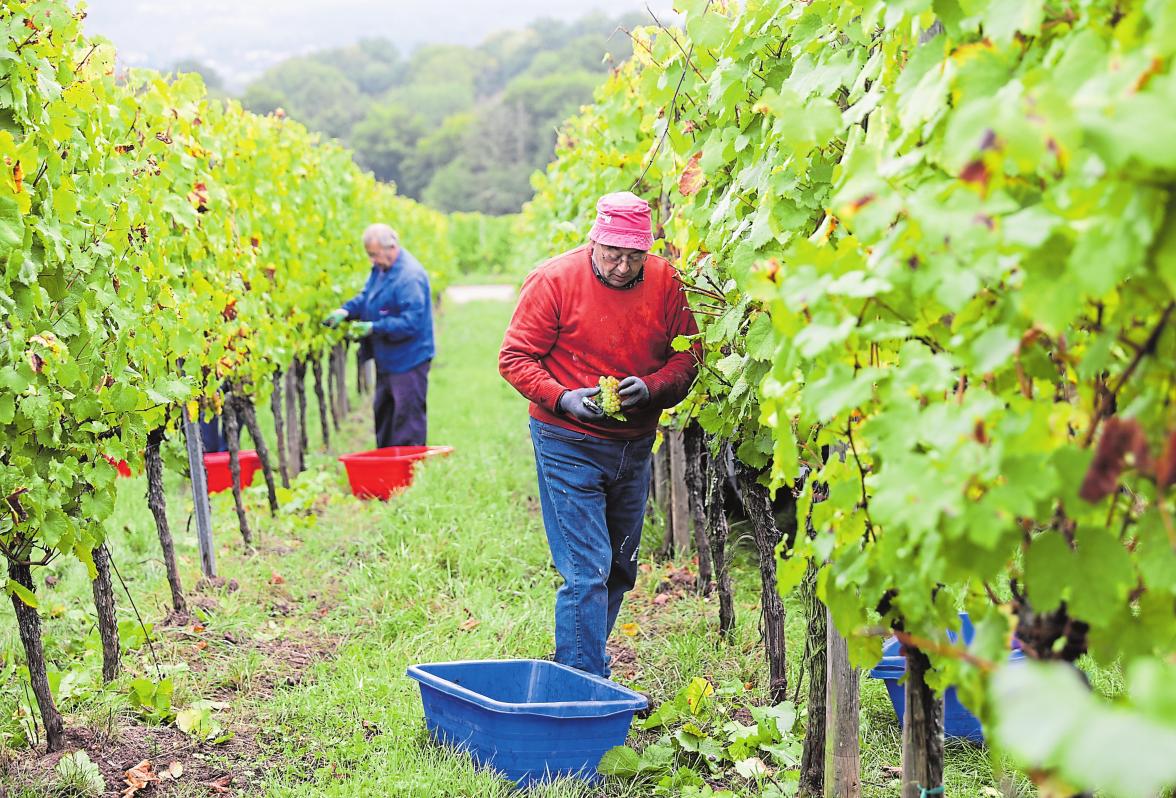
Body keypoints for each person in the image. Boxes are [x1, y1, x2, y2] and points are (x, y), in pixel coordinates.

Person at [499, 191, 700, 678]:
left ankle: (584, 660)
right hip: (566, 440)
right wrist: (562, 396)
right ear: (595, 240)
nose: (622, 265)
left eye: (635, 256)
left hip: (634, 445)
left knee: (618, 570)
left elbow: (688, 357)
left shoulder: (666, 283)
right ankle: (583, 682)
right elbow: (514, 358)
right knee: (587, 570)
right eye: (614, 253)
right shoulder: (554, 281)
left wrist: (652, 388)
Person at [323, 224, 434, 448]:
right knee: (385, 415)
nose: (372, 260)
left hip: (408, 360)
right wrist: (345, 311)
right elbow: (367, 297)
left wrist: (374, 327)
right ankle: (386, 467)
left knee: (407, 419)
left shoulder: (409, 277)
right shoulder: (382, 269)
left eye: (374, 254)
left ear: (391, 247)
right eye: (369, 255)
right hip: (388, 360)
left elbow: (411, 322)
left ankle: (410, 473)